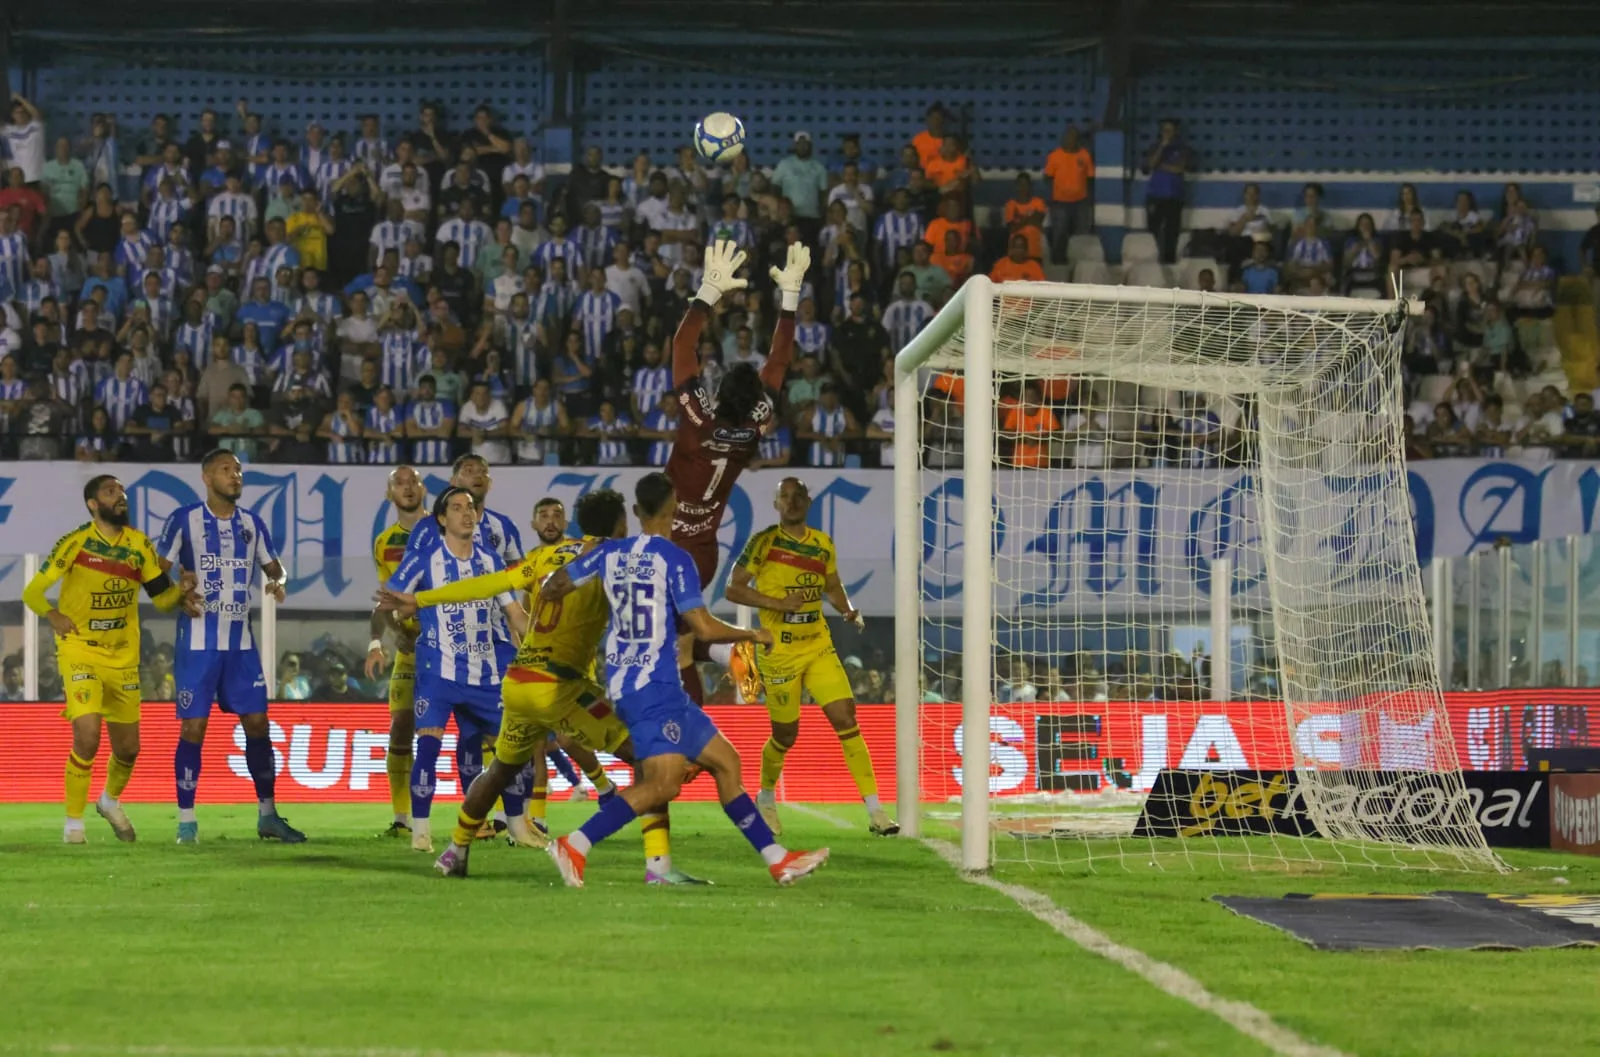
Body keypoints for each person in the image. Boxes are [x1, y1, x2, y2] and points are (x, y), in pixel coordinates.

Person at [380, 489, 698, 885]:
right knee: (651, 759)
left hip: (519, 680)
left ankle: (454, 850)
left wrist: (421, 599)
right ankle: (652, 864)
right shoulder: (615, 559)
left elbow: (488, 584)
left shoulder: (544, 557)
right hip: (558, 685)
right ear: (622, 524)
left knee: (498, 770)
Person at [541, 472, 829, 888]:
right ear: (674, 508)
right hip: (650, 687)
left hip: (643, 685)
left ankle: (778, 859)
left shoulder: (607, 554)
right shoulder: (675, 559)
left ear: (637, 512)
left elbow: (553, 587)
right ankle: (576, 844)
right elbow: (703, 627)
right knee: (662, 784)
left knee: (727, 763)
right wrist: (752, 634)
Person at [663, 239, 810, 705]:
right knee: (677, 640)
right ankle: (735, 659)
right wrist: (790, 300)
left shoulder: (698, 420)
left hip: (670, 546)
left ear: (719, 391)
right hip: (703, 553)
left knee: (674, 646)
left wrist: (707, 293)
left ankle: (695, 721)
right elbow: (779, 363)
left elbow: (681, 346)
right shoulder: (753, 429)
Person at [21, 475, 196, 843]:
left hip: (123, 657)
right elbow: (33, 591)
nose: (120, 497)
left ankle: (109, 800)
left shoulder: (139, 545)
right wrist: (52, 615)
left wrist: (181, 593)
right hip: (79, 650)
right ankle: (73, 825)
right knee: (87, 737)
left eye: (122, 492)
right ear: (92, 504)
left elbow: (160, 599)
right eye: (110, 492)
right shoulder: (76, 543)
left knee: (129, 749)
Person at [725, 478, 897, 837]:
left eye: (798, 496)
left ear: (807, 501)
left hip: (817, 644)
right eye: (785, 497)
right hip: (781, 652)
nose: (792, 502)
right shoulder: (764, 542)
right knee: (785, 735)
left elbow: (832, 585)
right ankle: (767, 797)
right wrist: (777, 604)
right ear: (776, 504)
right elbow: (733, 588)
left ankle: (876, 810)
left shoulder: (822, 543)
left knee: (846, 717)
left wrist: (847, 610)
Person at [156, 450, 304, 844]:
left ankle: (268, 815)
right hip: (199, 642)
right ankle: (186, 822)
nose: (235, 475)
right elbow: (154, 570)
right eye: (226, 469)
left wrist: (279, 581)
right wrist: (176, 594)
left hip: (241, 644)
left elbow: (275, 567)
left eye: (238, 470)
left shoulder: (252, 525)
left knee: (258, 724)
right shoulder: (183, 520)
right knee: (194, 727)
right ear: (206, 477)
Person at [384, 486, 530, 853]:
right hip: (439, 670)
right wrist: (399, 626)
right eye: (457, 507)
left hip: (485, 672)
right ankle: (421, 831)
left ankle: (518, 826)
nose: (467, 513)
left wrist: (546, 647)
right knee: (428, 747)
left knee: (512, 752)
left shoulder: (491, 561)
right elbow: (389, 603)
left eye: (470, 507)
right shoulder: (423, 559)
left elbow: (515, 614)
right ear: (441, 519)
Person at [363, 465, 428, 838]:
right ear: (390, 495)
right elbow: (385, 602)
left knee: (475, 728)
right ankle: (402, 819)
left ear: (424, 489)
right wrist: (383, 639)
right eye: (398, 483)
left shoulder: (442, 531)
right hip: (410, 649)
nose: (406, 487)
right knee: (401, 725)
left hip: (447, 644)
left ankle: (494, 819)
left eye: (412, 481)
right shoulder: (384, 541)